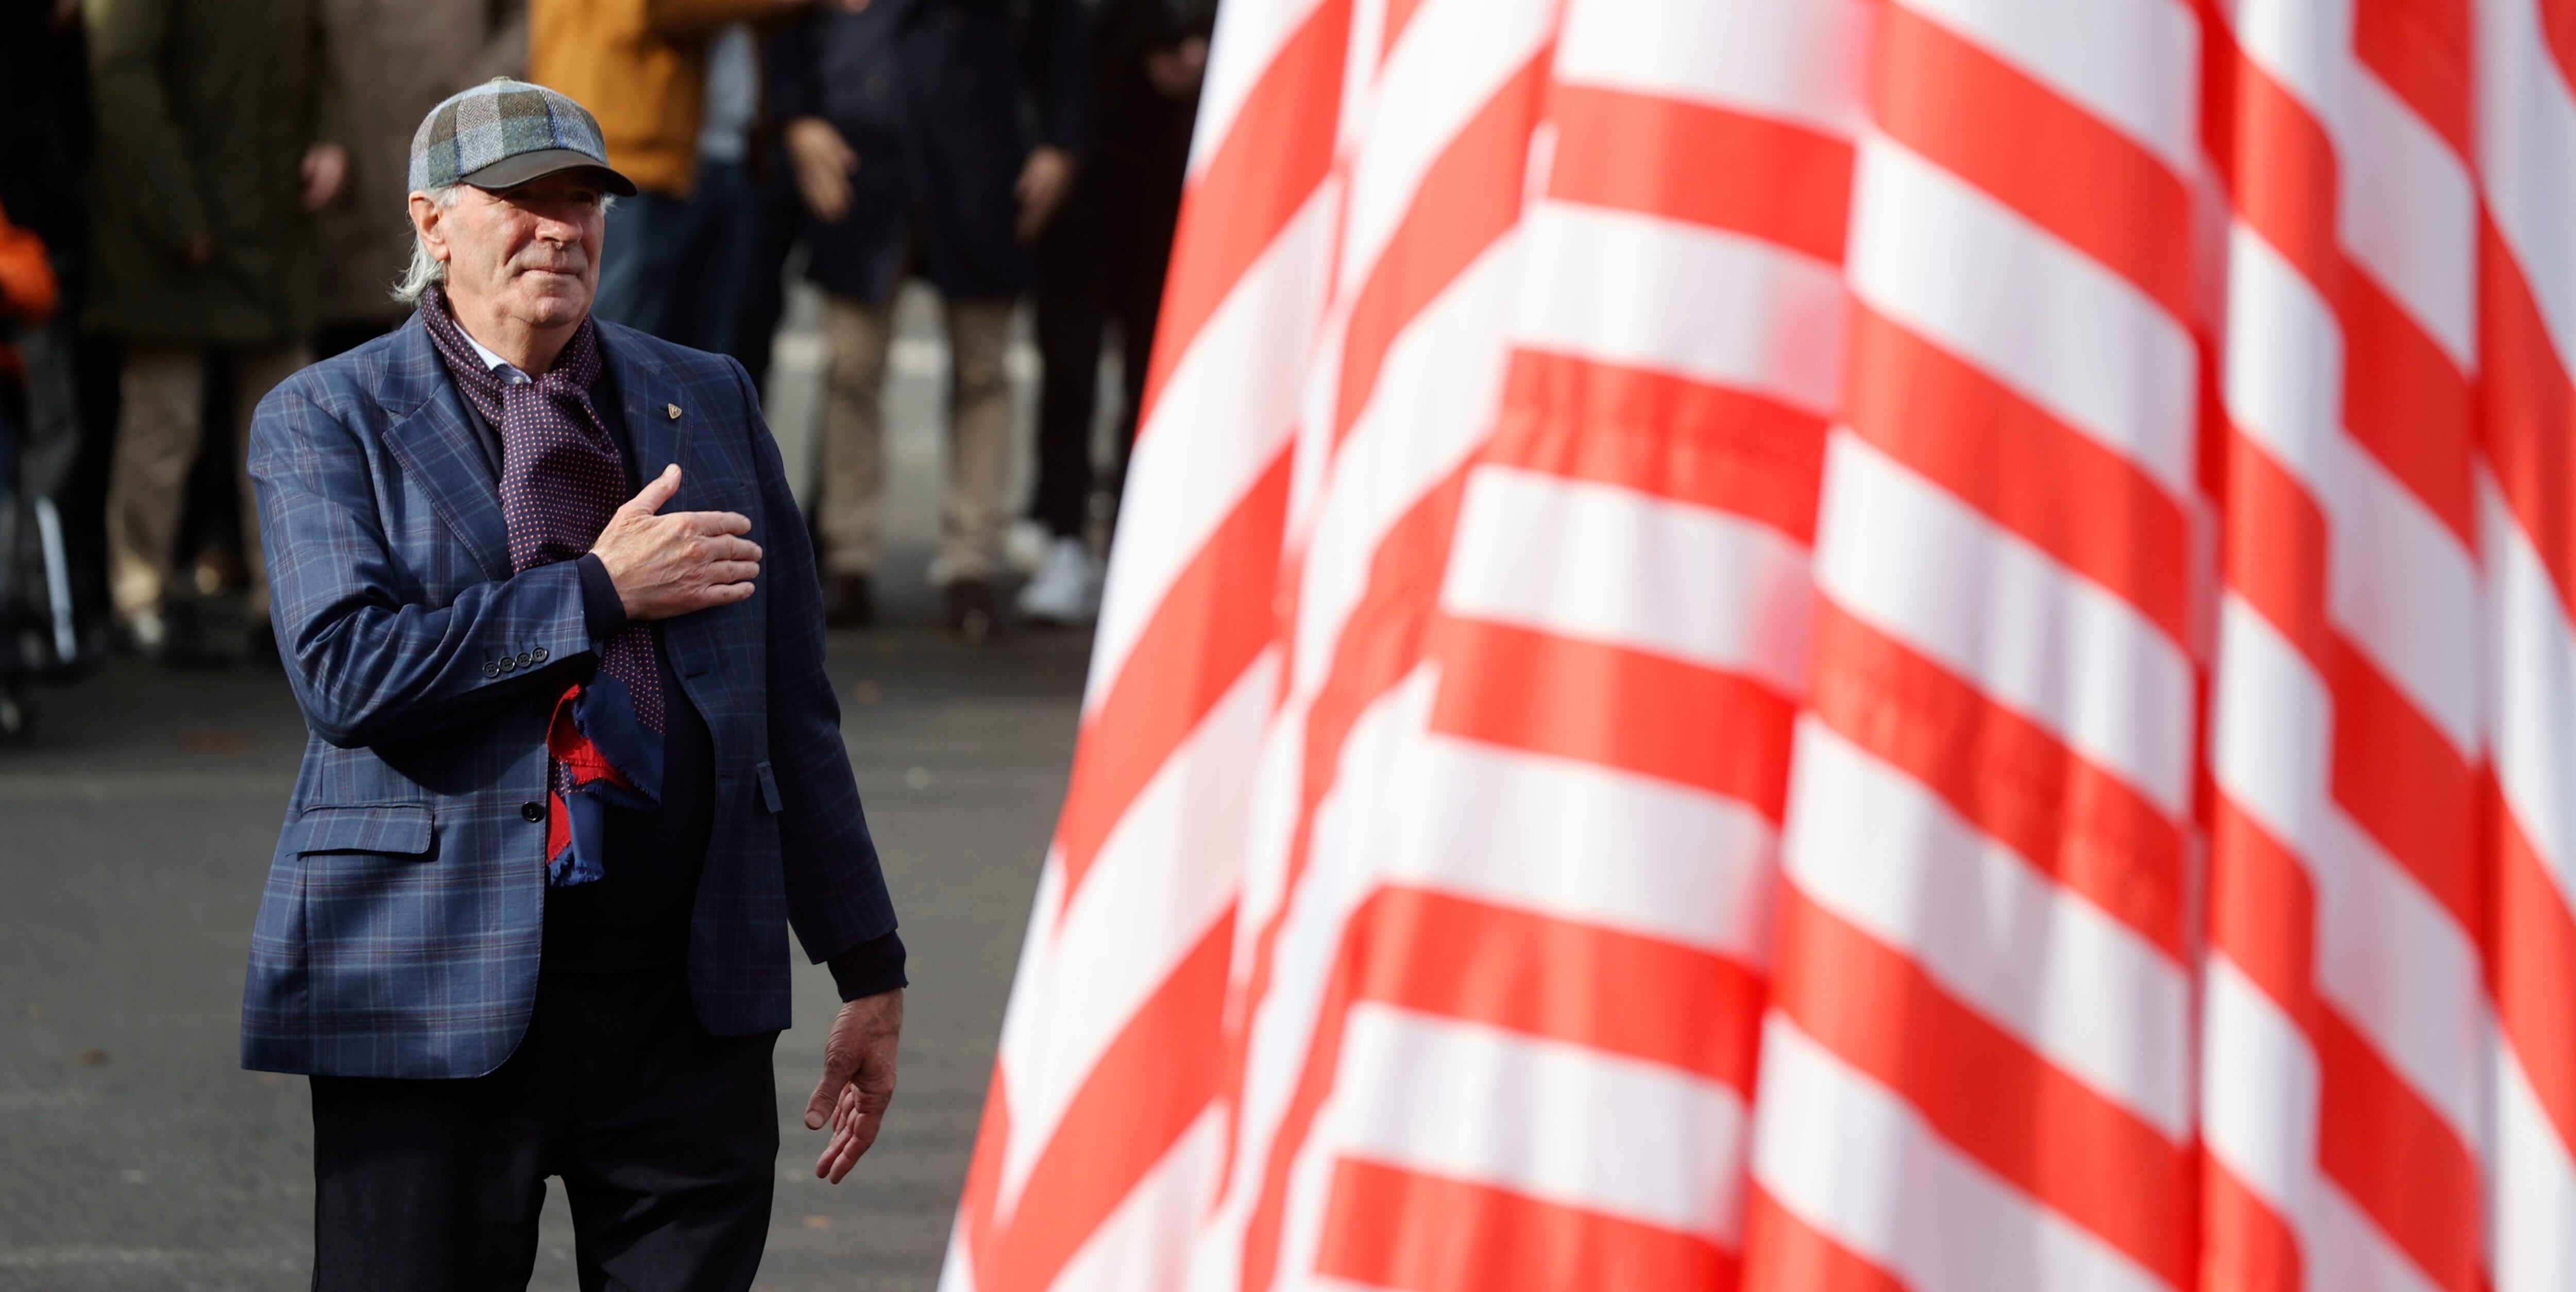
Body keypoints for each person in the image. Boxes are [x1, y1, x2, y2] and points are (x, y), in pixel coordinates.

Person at [242, 80, 906, 1289]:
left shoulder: (706, 397)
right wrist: (596, 594)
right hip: (430, 995)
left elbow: (790, 704)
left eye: (583, 200)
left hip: (685, 1003)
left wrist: (867, 960)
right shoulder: (324, 417)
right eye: (522, 200)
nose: (561, 227)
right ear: (432, 221)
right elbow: (346, 671)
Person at [769, 0, 1090, 635]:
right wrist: (796, 119)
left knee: (982, 369)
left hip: (979, 152)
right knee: (852, 369)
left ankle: (971, 558)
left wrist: (1062, 142)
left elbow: (1063, 34)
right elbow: (788, 23)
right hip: (863, 151)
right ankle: (847, 556)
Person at [84, 0, 349, 654]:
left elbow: (321, 55)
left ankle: (288, 596)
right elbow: (124, 83)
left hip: (270, 220)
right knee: (164, 420)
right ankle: (139, 591)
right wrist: (175, 211)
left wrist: (330, 136)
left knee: (290, 423)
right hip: (175, 233)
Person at [1019, 0, 1212, 624]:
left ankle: (1140, 540)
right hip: (1081, 163)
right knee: (1068, 367)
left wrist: (1195, 35)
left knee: (1154, 371)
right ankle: (1065, 536)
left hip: (1175, 162)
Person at [531, 0, 793, 345]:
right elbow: (654, 8)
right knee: (617, 350)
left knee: (701, 370)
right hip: (633, 154)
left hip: (723, 150)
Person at [310, 0, 528, 359]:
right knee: (351, 369)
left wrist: (478, 97)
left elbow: (528, 20)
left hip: (466, 160)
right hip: (348, 194)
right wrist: (327, 129)